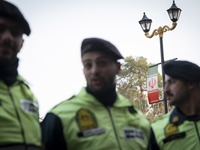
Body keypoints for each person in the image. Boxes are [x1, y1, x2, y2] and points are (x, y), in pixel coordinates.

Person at [41, 37, 151, 150]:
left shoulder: (137, 117)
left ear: (118, 68)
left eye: (102, 63)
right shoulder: (59, 117)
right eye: (88, 65)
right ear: (83, 70)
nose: (94, 71)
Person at [0, 0, 41, 150]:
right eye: (0, 29)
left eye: (15, 32)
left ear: (21, 43)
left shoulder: (27, 92)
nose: (7, 38)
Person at [149, 60, 200, 150]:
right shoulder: (157, 129)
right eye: (165, 84)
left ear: (191, 84)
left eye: (172, 82)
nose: (165, 90)